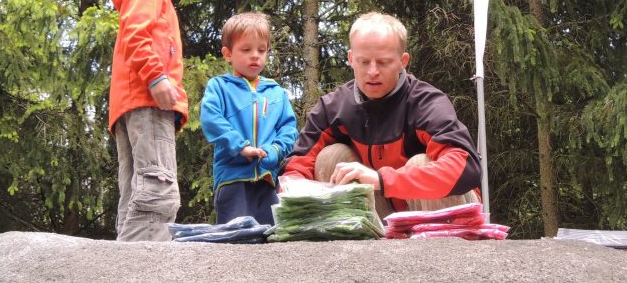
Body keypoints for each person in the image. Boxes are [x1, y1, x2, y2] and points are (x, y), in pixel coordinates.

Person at [281, 12, 481, 218]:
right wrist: (292, 197)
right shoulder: (333, 108)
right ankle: (347, 238)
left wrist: (382, 179)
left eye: (383, 62)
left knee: (421, 163)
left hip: (444, 210)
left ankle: (444, 240)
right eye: (364, 62)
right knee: (331, 157)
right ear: (351, 59)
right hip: (381, 211)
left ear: (403, 61)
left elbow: (466, 167)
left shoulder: (426, 103)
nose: (373, 71)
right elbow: (296, 168)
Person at [108, 0, 199, 241]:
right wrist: (156, 77)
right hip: (148, 101)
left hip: (135, 102)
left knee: (137, 190)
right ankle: (146, 261)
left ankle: (125, 259)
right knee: (157, 191)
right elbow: (136, 36)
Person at [200, 12, 298, 225]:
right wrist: (240, 146)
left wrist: (275, 151)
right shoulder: (219, 87)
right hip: (232, 179)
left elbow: (288, 129)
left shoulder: (276, 92)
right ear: (228, 54)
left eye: (261, 50)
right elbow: (211, 119)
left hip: (267, 180)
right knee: (235, 236)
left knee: (270, 236)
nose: (255, 56)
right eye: (246, 50)